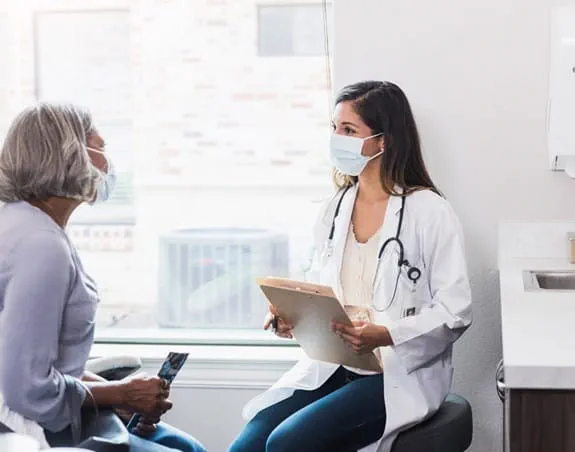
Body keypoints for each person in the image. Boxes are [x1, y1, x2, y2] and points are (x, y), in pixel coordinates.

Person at [229, 81, 473, 452]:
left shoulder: (429, 211)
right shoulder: (334, 209)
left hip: (397, 373)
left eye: (349, 130)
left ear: (383, 141)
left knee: (286, 444)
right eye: (334, 128)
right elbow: (319, 292)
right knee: (246, 447)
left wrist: (387, 334)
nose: (336, 139)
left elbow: (456, 311)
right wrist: (292, 318)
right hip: (335, 363)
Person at [0, 103, 206, 452]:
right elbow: (26, 387)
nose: (109, 164)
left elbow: (32, 357)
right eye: (101, 147)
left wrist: (116, 394)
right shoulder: (41, 245)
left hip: (44, 408)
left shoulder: (28, 223)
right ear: (69, 155)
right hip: (25, 427)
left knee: (185, 445)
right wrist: (119, 393)